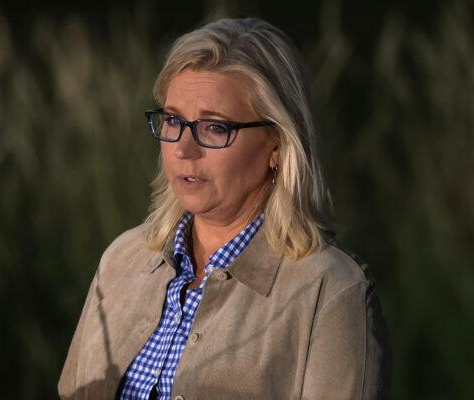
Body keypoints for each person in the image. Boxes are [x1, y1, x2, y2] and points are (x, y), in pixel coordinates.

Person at [58, 17, 392, 400]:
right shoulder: (121, 261)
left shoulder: (330, 289)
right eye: (173, 121)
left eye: (215, 128)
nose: (184, 149)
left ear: (277, 146)